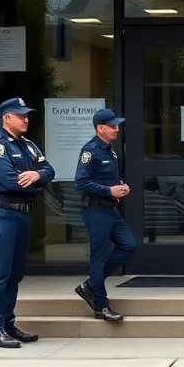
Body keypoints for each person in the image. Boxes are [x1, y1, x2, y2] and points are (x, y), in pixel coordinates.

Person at [0, 97, 54, 348]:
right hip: (3, 213)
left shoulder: (28, 146)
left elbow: (50, 171)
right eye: (20, 115)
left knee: (15, 274)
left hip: (22, 214)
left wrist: (36, 173)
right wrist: (39, 178)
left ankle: (9, 325)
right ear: (6, 119)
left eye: (26, 115)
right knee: (1, 273)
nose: (25, 119)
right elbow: (12, 181)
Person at [73, 108, 136, 322]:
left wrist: (118, 186)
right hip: (96, 210)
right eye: (113, 126)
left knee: (128, 245)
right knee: (98, 258)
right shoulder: (90, 150)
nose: (117, 129)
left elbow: (105, 177)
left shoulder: (109, 150)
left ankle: (90, 285)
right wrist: (109, 191)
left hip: (110, 209)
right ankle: (101, 305)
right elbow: (80, 181)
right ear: (101, 128)